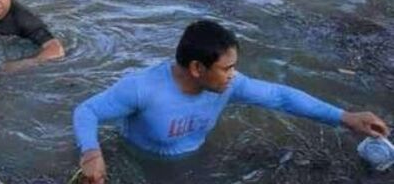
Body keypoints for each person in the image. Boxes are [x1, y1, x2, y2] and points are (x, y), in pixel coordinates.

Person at [73, 20, 389, 184]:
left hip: (196, 162)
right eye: (227, 68)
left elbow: (280, 96)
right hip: (140, 166)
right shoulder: (142, 89)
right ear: (197, 68)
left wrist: (346, 117)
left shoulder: (227, 85)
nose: (233, 75)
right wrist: (91, 152)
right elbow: (87, 111)